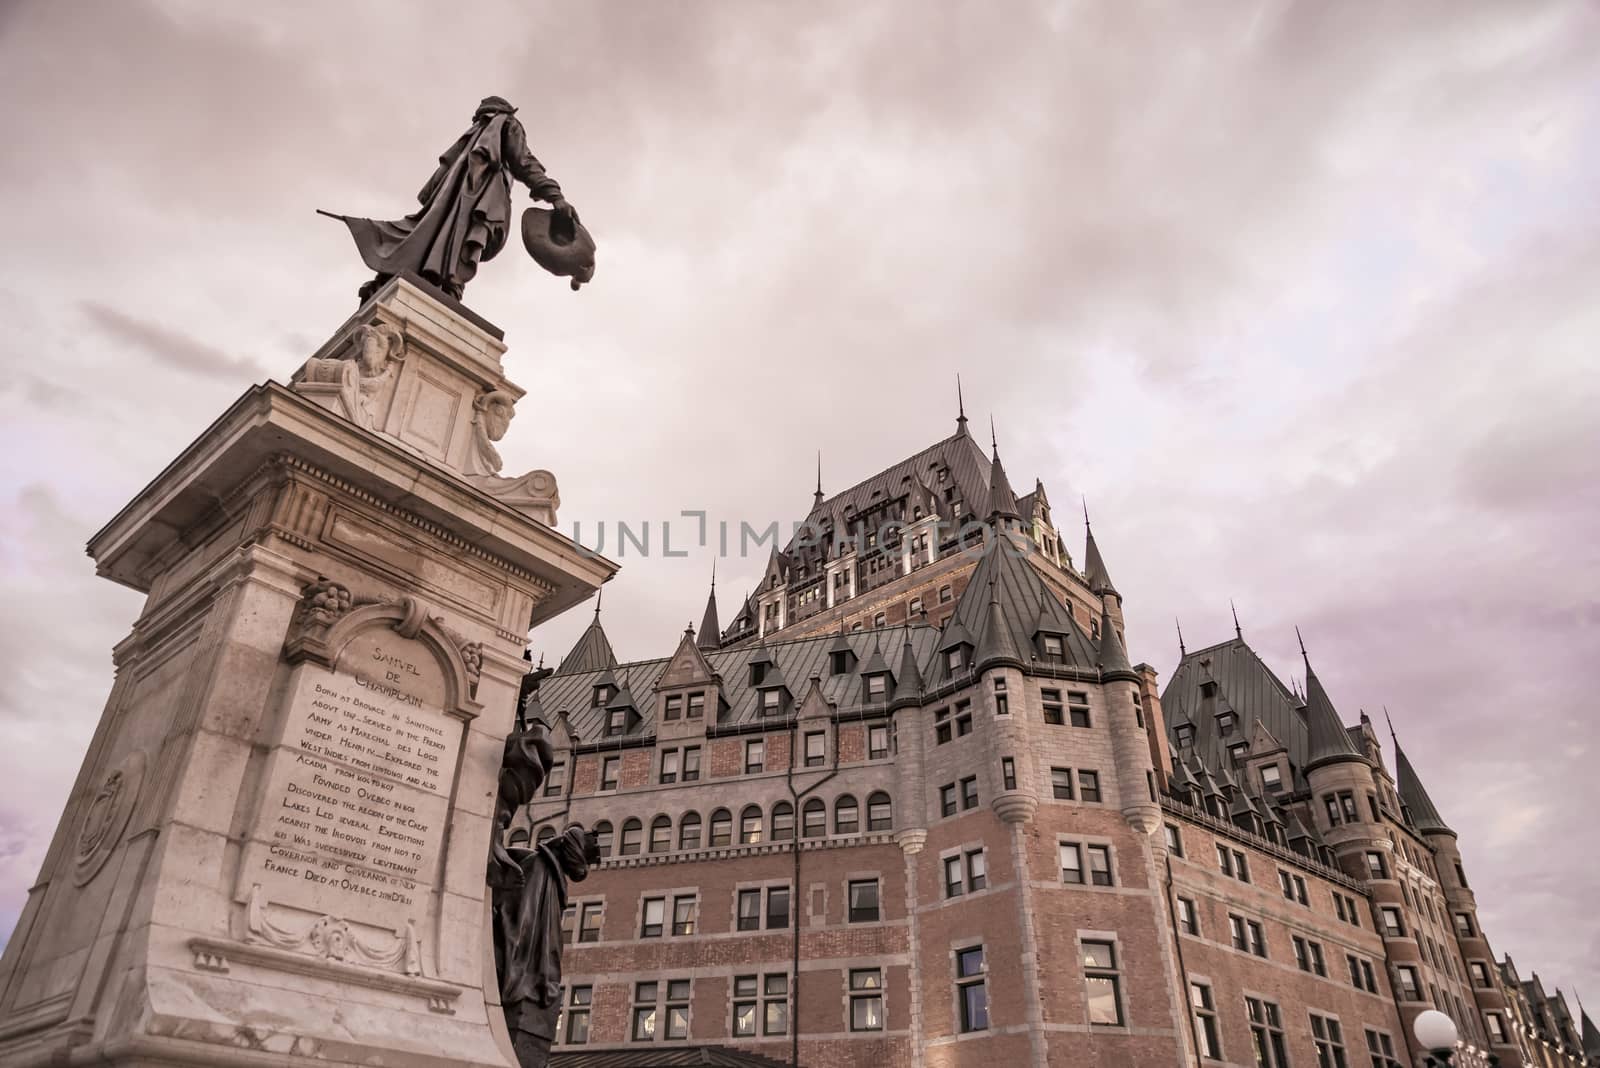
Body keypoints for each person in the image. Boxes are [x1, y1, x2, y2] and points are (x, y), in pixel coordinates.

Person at [323, 96, 578, 303]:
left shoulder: (473, 136)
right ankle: (448, 283)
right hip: (481, 199)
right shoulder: (507, 124)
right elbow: (523, 162)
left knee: (434, 233)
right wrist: (556, 197)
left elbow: (436, 184)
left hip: (452, 201)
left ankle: (409, 277)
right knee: (461, 239)